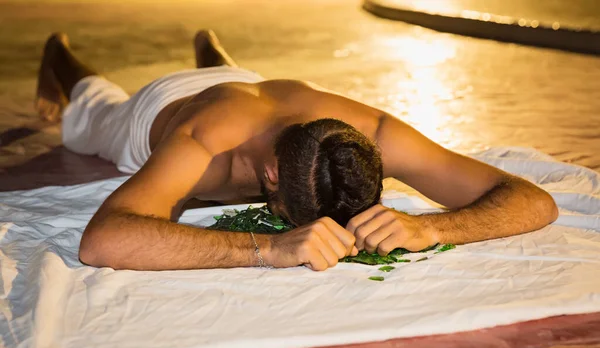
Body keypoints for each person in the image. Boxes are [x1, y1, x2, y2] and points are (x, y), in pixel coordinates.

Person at [35, 31, 558, 272]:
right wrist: (268, 249)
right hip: (156, 110)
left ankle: (210, 49)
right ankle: (60, 54)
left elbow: (533, 201)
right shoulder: (202, 141)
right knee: (92, 110)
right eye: (288, 211)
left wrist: (434, 227)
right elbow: (103, 241)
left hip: (246, 84)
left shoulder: (372, 130)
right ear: (269, 172)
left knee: (233, 76)